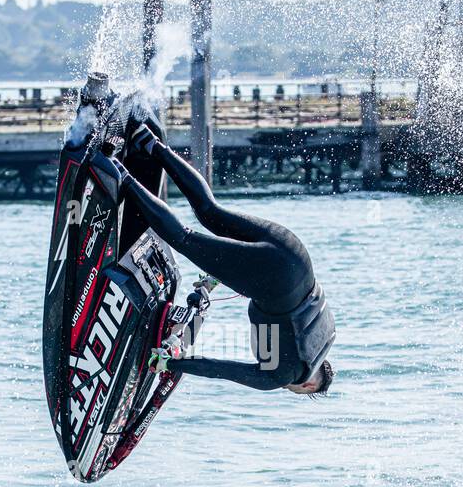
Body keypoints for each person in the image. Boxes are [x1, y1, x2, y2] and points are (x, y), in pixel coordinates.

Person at [89, 123, 336, 395]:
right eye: (300, 393)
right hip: (274, 277)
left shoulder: (322, 337)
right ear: (310, 383)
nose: (291, 391)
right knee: (183, 238)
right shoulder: (281, 375)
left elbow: (285, 304)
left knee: (210, 213)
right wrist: (170, 363)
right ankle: (119, 174)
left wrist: (221, 274)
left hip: (294, 252)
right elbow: (220, 369)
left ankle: (151, 143)